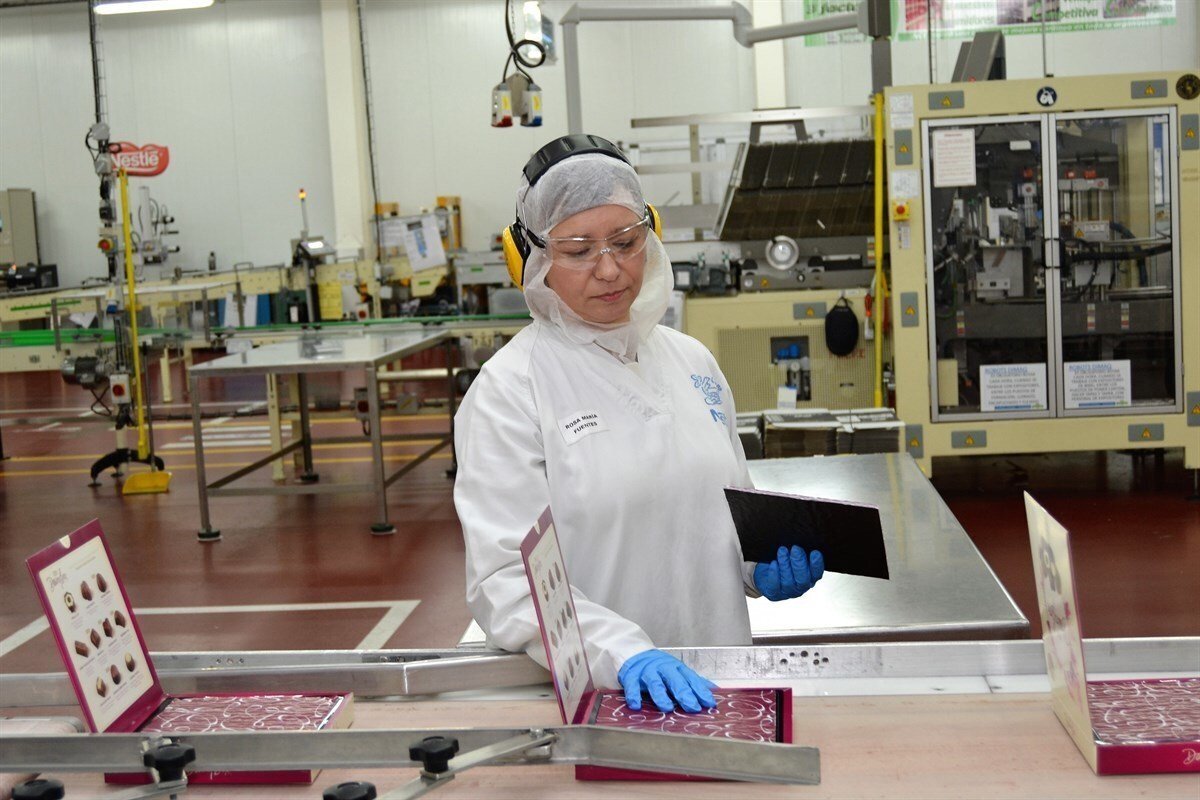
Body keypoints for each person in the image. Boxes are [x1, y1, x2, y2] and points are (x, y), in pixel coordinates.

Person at [454, 134, 824, 715]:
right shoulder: (510, 391)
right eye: (578, 250)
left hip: (719, 688)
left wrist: (760, 564)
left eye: (626, 242)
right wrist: (623, 654)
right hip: (602, 696)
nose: (609, 269)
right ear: (533, 259)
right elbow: (506, 581)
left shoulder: (692, 361)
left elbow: (726, 512)